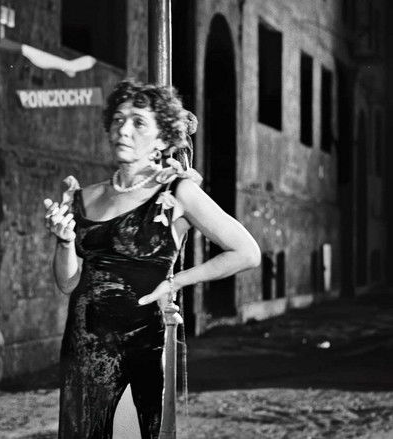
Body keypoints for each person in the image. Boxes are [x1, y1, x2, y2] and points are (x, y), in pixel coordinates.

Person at [43, 80, 261, 438]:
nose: (123, 129)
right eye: (118, 120)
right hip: (83, 346)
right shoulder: (86, 196)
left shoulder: (177, 193)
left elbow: (247, 253)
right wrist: (65, 241)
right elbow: (68, 283)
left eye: (138, 122)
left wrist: (175, 282)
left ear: (162, 139)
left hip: (141, 345)